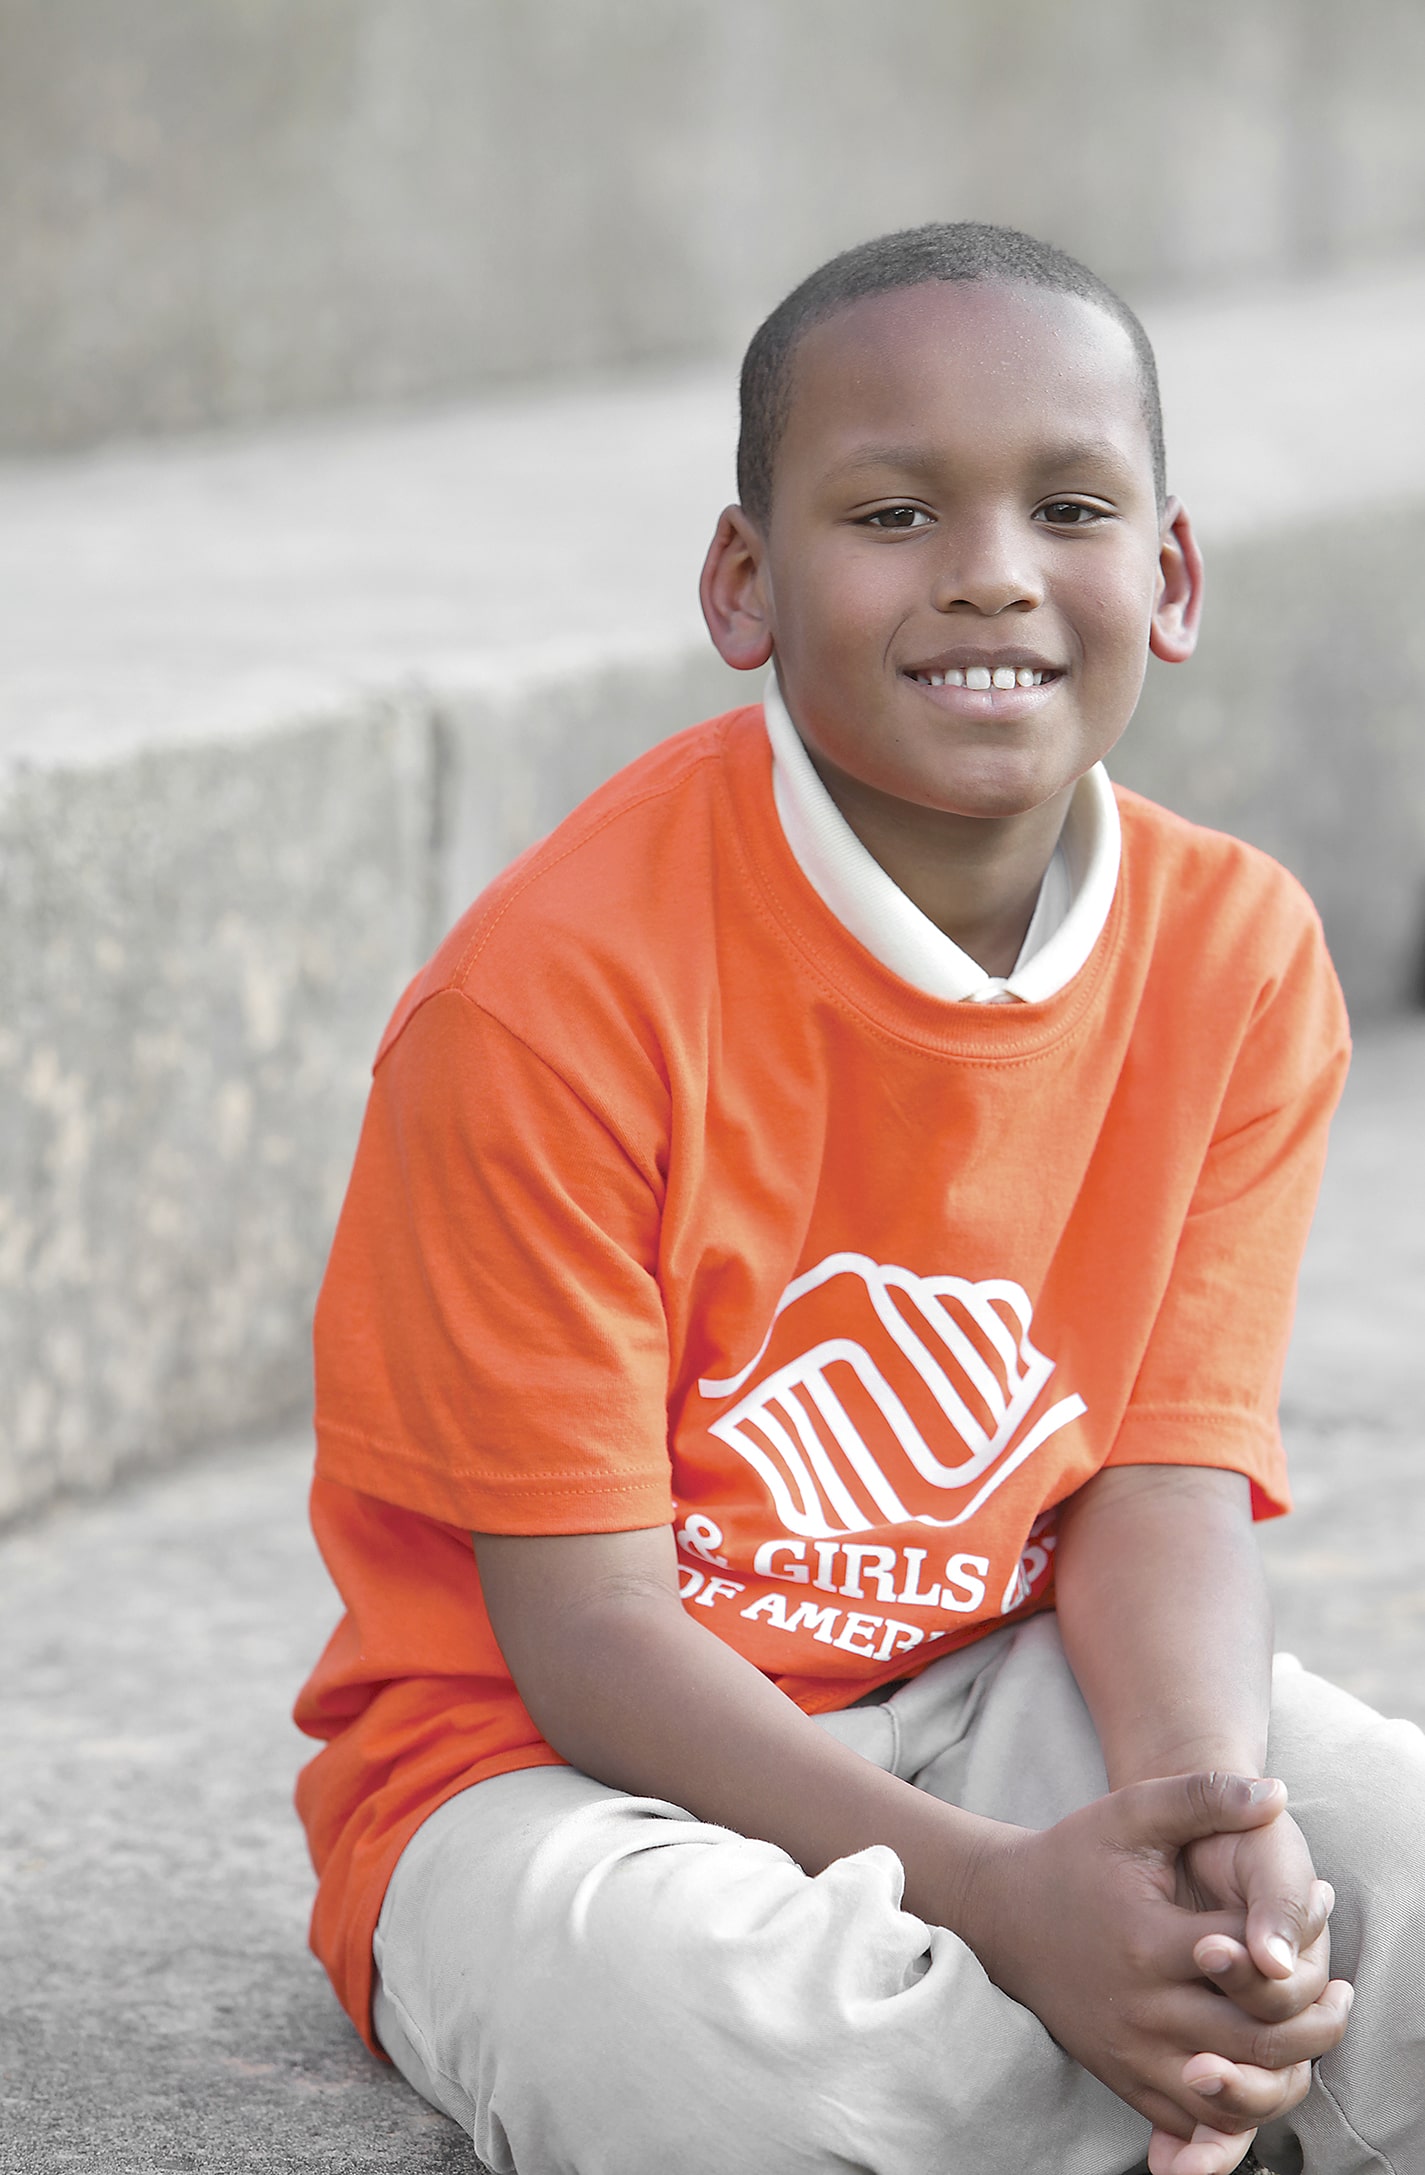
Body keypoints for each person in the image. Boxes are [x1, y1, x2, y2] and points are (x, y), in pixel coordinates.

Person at [294, 224, 1423, 2175]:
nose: (987, 565)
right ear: (743, 584)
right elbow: (582, 1635)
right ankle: (1087, 2051)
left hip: (995, 1675)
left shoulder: (1231, 947)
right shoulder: (552, 993)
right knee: (782, 2070)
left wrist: (1191, 1806)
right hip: (551, 1772)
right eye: (891, 510)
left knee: (1350, 1881)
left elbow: (1157, 1480)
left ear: (1163, 578)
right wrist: (1002, 1900)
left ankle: (1115, 2032)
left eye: (1066, 505)